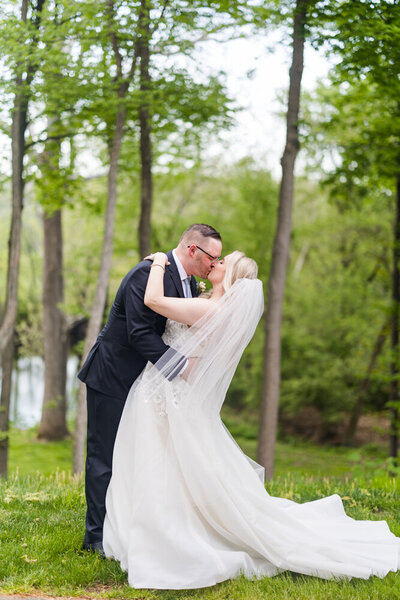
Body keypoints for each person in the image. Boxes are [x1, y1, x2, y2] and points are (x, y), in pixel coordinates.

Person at [103, 249, 400, 589]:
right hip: (167, 393)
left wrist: (156, 261)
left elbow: (153, 299)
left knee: (166, 463)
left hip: (170, 396)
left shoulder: (209, 309)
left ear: (231, 277)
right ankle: (153, 527)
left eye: (223, 262)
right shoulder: (206, 302)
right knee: (168, 464)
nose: (216, 263)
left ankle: (166, 533)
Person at [77, 224, 222, 556]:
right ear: (192, 251)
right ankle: (95, 538)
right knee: (104, 457)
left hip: (147, 384)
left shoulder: (189, 284)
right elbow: (139, 334)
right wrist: (183, 368)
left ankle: (129, 523)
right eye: (211, 258)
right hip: (114, 376)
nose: (214, 265)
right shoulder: (148, 273)